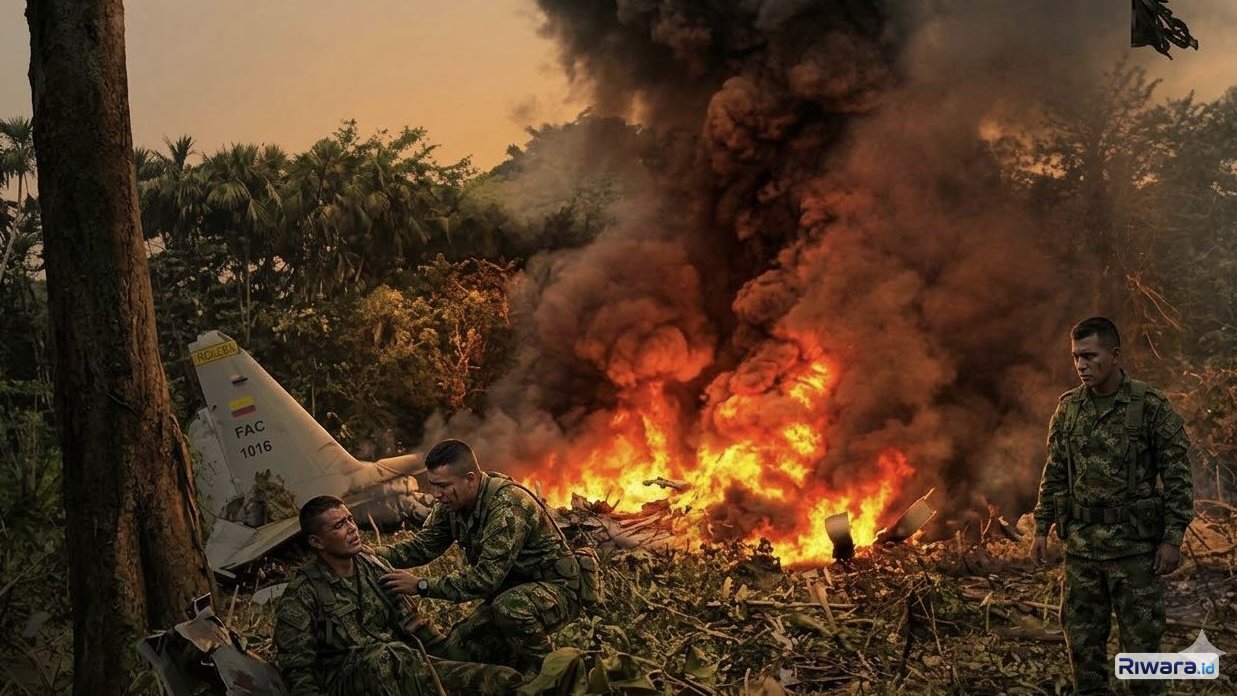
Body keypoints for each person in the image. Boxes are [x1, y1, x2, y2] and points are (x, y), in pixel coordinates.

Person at [1030, 316, 1194, 696]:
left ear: (1115, 355)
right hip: (1083, 552)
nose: (1081, 365)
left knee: (1143, 657)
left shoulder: (1150, 406)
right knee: (1084, 654)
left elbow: (1178, 475)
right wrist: (1041, 527)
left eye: (1090, 355)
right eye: (1075, 357)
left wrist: (1173, 537)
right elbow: (1054, 472)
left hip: (1135, 553)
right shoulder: (1069, 409)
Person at [273, 495, 523, 696]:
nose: (352, 529)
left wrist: (452, 653)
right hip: (350, 679)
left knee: (503, 680)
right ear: (317, 542)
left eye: (350, 519)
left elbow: (412, 625)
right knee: (381, 656)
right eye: (339, 525)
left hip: (403, 666)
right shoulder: (302, 594)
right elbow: (297, 668)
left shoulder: (374, 566)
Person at [375, 439, 583, 675]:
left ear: (471, 479)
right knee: (455, 651)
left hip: (556, 591)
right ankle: (514, 664)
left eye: (443, 486)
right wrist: (371, 553)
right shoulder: (450, 504)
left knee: (510, 610)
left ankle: (552, 675)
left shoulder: (508, 505)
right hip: (509, 592)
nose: (436, 494)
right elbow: (422, 546)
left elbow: (484, 579)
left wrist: (421, 585)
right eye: (433, 485)